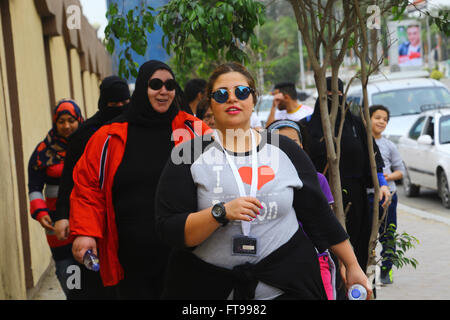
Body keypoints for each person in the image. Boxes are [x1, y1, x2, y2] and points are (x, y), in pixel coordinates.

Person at [155, 62, 371, 300]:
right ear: (210, 103)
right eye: (221, 94)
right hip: (209, 286)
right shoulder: (187, 155)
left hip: (284, 286)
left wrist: (351, 265)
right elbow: (170, 229)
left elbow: (319, 215)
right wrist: (220, 213)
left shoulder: (286, 150)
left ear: (253, 99)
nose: (232, 99)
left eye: (242, 92)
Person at [69, 60, 211, 299]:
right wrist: (85, 232)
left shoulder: (195, 130)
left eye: (169, 84)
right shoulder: (108, 136)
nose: (163, 91)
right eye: (155, 84)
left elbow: (223, 171)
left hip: (185, 250)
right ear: (143, 88)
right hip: (130, 256)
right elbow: (87, 188)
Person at [301, 77, 391, 274]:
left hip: (356, 198)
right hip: (320, 197)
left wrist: (382, 183)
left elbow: (372, 157)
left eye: (338, 95)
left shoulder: (356, 125)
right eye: (328, 96)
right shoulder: (306, 127)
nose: (334, 100)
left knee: (358, 249)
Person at [54, 76, 131, 299]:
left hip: (127, 217)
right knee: (94, 279)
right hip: (94, 218)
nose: (119, 110)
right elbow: (69, 178)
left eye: (124, 105)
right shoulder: (85, 134)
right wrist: (62, 215)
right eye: (112, 105)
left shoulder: (136, 128)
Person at [266, 119, 337, 300]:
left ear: (302, 146)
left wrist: (346, 262)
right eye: (279, 142)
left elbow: (326, 225)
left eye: (293, 142)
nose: (286, 147)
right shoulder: (259, 183)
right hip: (272, 262)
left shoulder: (318, 179)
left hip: (315, 259)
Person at [27, 99, 83, 298]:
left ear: (79, 120)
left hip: (85, 219)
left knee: (90, 266)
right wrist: (40, 211)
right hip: (57, 223)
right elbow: (34, 186)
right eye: (61, 121)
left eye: (71, 120)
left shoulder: (88, 143)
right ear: (54, 122)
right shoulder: (43, 151)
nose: (66, 126)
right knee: (67, 268)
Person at [368, 105, 405, 285]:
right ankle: (368, 271)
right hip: (368, 196)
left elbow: (401, 171)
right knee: (368, 235)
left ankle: (386, 270)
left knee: (388, 234)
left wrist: (385, 177)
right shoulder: (363, 143)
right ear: (367, 119)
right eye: (377, 117)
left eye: (385, 119)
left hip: (388, 195)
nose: (381, 121)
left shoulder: (389, 145)